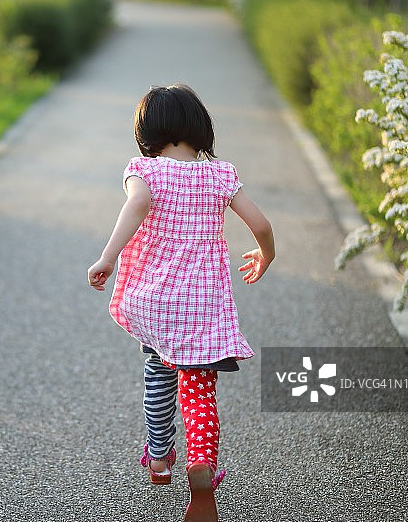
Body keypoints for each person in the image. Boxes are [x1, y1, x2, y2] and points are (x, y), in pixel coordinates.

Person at [87, 84, 275, 522]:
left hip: (155, 301)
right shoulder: (221, 174)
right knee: (198, 385)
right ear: (199, 129)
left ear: (148, 133)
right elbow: (261, 224)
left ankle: (157, 458)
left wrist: (107, 257)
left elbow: (136, 205)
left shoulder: (144, 171)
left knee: (156, 371)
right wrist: (267, 254)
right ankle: (202, 463)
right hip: (202, 305)